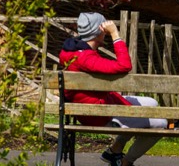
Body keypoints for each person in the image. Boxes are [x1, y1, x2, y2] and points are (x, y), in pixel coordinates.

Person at [59, 12, 165, 166]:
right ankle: (126, 162)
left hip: (96, 104)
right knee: (161, 123)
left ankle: (114, 150)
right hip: (99, 113)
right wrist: (115, 34)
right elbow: (124, 66)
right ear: (99, 31)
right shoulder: (86, 58)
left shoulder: (72, 52)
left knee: (152, 103)